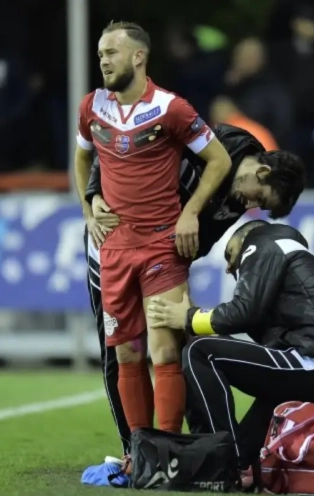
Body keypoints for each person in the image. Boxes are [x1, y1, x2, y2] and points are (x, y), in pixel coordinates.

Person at [83, 124, 306, 454]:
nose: (251, 204)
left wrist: (173, 267)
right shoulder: (210, 142)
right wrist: (94, 193)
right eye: (259, 196)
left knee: (177, 344)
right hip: (112, 239)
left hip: (161, 256)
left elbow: (201, 238)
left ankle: (185, 446)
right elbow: (127, 140)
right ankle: (134, 452)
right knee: (121, 349)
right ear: (261, 170)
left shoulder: (239, 195)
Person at [73, 21, 234, 437]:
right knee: (127, 352)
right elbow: (81, 159)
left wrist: (190, 212)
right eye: (101, 54)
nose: (104, 60)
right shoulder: (92, 106)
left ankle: (170, 446)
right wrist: (89, 209)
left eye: (111, 52)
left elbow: (219, 160)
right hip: (114, 248)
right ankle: (140, 452)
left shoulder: (172, 108)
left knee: (164, 350)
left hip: (162, 245)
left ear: (138, 56)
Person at [146, 220, 314, 473]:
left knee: (201, 351)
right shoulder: (292, 259)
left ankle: (218, 459)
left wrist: (189, 317)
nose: (228, 267)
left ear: (245, 237)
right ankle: (231, 461)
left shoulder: (263, 242)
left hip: (311, 365)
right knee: (244, 450)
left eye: (229, 253)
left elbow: (243, 312)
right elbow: (260, 327)